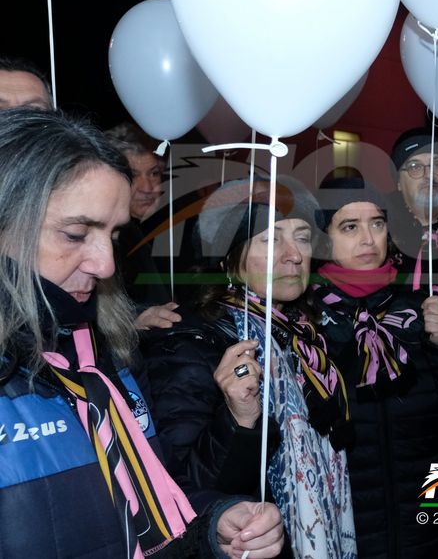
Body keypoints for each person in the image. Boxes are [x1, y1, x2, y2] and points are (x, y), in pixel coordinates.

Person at [0, 107, 283, 558]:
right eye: (75, 234)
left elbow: (148, 498)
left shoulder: (108, 355)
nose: (106, 265)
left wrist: (213, 525)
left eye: (113, 236)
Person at [143, 178, 357, 558]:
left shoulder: (311, 334)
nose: (294, 255)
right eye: (271, 240)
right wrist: (238, 419)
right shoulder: (192, 342)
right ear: (230, 257)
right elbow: (181, 491)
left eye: (303, 237)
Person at [311, 179, 438, 558]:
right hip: (346, 535)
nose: (368, 239)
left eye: (377, 223)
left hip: (427, 532)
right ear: (324, 239)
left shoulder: (418, 308)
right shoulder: (306, 320)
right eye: (349, 227)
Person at [106, 121, 180, 330]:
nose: (147, 188)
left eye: (154, 173)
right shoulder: (101, 236)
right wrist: (134, 324)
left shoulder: (154, 230)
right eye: (133, 175)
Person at [386, 126, 438, 294]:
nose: (429, 175)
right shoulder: (381, 234)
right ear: (399, 182)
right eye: (415, 166)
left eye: (437, 164)